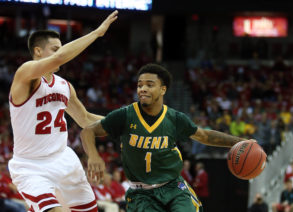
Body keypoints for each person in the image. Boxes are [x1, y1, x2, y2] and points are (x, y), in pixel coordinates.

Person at [80, 63, 249, 212]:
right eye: (140, 85)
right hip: (141, 193)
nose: (142, 89)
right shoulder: (125, 115)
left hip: (173, 186)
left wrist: (240, 141)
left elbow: (204, 135)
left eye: (149, 85)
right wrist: (93, 156)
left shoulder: (175, 118)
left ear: (163, 89)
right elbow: (88, 131)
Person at [8, 10, 118, 212]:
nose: (61, 52)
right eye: (55, 49)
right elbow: (60, 58)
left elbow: (85, 119)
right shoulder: (26, 73)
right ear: (38, 51)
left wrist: (124, 124)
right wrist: (96, 33)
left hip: (64, 160)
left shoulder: (64, 86)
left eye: (61, 48)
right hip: (32, 166)